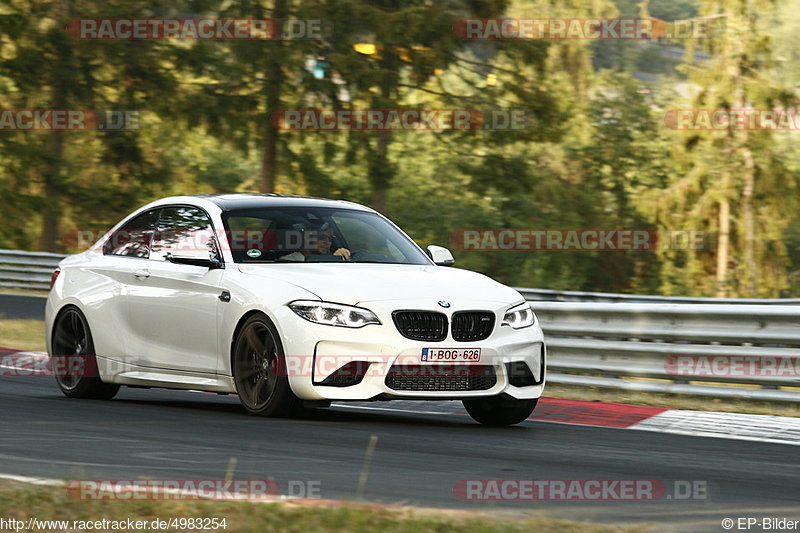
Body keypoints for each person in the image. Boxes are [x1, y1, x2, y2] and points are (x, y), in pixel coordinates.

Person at [279, 224, 351, 261]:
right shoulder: (287, 261)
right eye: (322, 237)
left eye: (330, 239)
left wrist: (338, 258)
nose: (328, 242)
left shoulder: (328, 258)